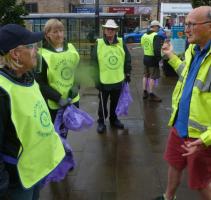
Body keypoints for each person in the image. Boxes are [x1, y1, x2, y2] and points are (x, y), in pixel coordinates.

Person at [0, 24, 66, 200]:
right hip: (18, 176)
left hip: (35, 169)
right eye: (31, 46)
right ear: (15, 54)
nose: (36, 50)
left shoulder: (28, 78)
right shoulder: (2, 91)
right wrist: (2, 187)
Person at [155, 6, 211, 200]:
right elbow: (187, 75)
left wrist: (205, 140)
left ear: (210, 27)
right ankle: (168, 197)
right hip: (180, 126)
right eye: (185, 24)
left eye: (191, 25)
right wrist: (170, 56)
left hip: (200, 137)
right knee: (174, 164)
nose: (186, 29)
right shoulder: (193, 50)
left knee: (200, 182)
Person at [35, 19, 80, 126]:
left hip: (71, 100)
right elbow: (39, 83)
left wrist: (76, 86)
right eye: (55, 32)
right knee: (54, 133)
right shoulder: (41, 54)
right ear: (47, 34)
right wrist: (58, 98)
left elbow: (77, 72)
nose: (59, 35)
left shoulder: (71, 48)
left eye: (61, 31)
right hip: (54, 104)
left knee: (65, 130)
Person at [92, 19, 132, 134]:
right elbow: (93, 62)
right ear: (104, 31)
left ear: (115, 31)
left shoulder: (120, 42)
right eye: (108, 29)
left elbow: (127, 59)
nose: (110, 31)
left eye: (112, 29)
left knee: (115, 102)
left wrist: (127, 73)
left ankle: (113, 120)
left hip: (118, 80)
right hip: (103, 81)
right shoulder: (98, 43)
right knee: (102, 104)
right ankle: (101, 121)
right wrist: (96, 79)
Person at [141, 20, 164, 102]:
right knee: (152, 76)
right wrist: (159, 60)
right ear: (155, 27)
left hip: (145, 58)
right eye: (158, 27)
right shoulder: (156, 36)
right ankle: (151, 93)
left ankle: (144, 91)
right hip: (153, 59)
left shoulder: (144, 35)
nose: (158, 29)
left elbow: (143, 46)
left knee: (145, 75)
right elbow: (157, 50)